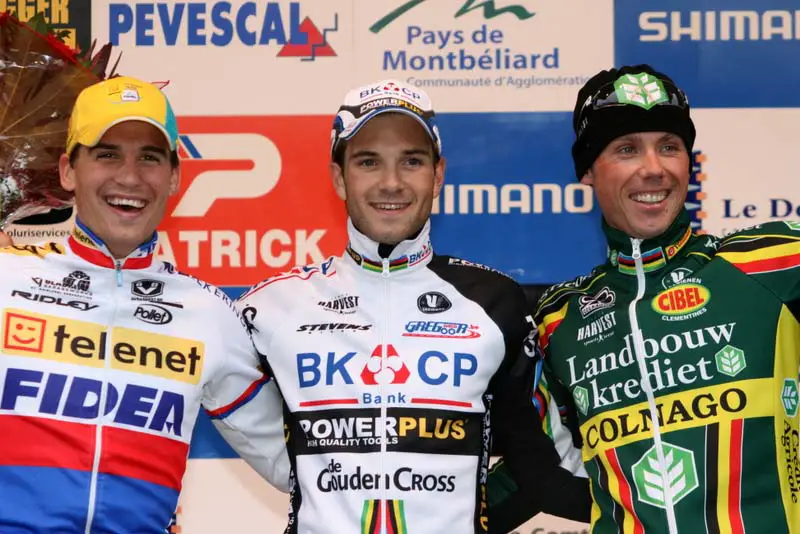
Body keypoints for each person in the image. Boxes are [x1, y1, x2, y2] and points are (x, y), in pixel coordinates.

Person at [235, 79, 590, 534]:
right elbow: (178, 360)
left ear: (438, 175)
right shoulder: (271, 306)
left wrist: (681, 504)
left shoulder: (495, 302)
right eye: (368, 162)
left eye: (412, 161)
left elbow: (545, 468)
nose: (391, 182)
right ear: (339, 177)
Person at [488, 64, 800, 534]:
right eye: (627, 149)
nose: (653, 169)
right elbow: (535, 470)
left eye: (669, 147)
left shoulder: (772, 263)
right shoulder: (559, 317)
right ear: (589, 171)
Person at [0, 76, 290, 532]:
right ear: (67, 171)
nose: (130, 177)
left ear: (174, 177)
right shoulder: (6, 281)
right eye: (107, 154)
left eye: (150, 157)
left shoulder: (209, 314)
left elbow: (301, 467)